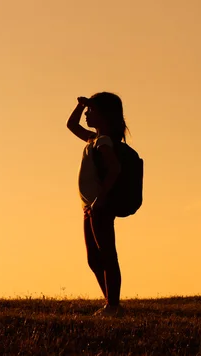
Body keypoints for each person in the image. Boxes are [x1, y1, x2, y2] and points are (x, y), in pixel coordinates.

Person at [66, 92, 129, 317]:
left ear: (104, 116)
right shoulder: (93, 139)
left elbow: (114, 169)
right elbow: (71, 125)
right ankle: (110, 303)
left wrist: (100, 199)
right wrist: (82, 105)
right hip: (90, 208)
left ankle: (113, 305)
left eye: (91, 111)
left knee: (106, 254)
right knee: (94, 258)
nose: (86, 115)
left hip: (99, 206)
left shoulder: (103, 142)